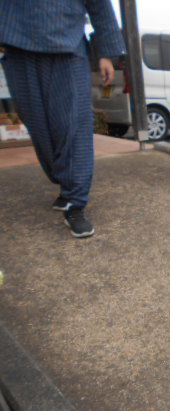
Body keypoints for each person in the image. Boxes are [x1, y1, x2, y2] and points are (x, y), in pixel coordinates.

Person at [0, 0, 126, 238]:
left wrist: (107, 54)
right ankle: (65, 183)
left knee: (74, 123)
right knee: (38, 125)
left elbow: (100, 6)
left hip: (68, 47)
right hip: (18, 45)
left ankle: (76, 202)